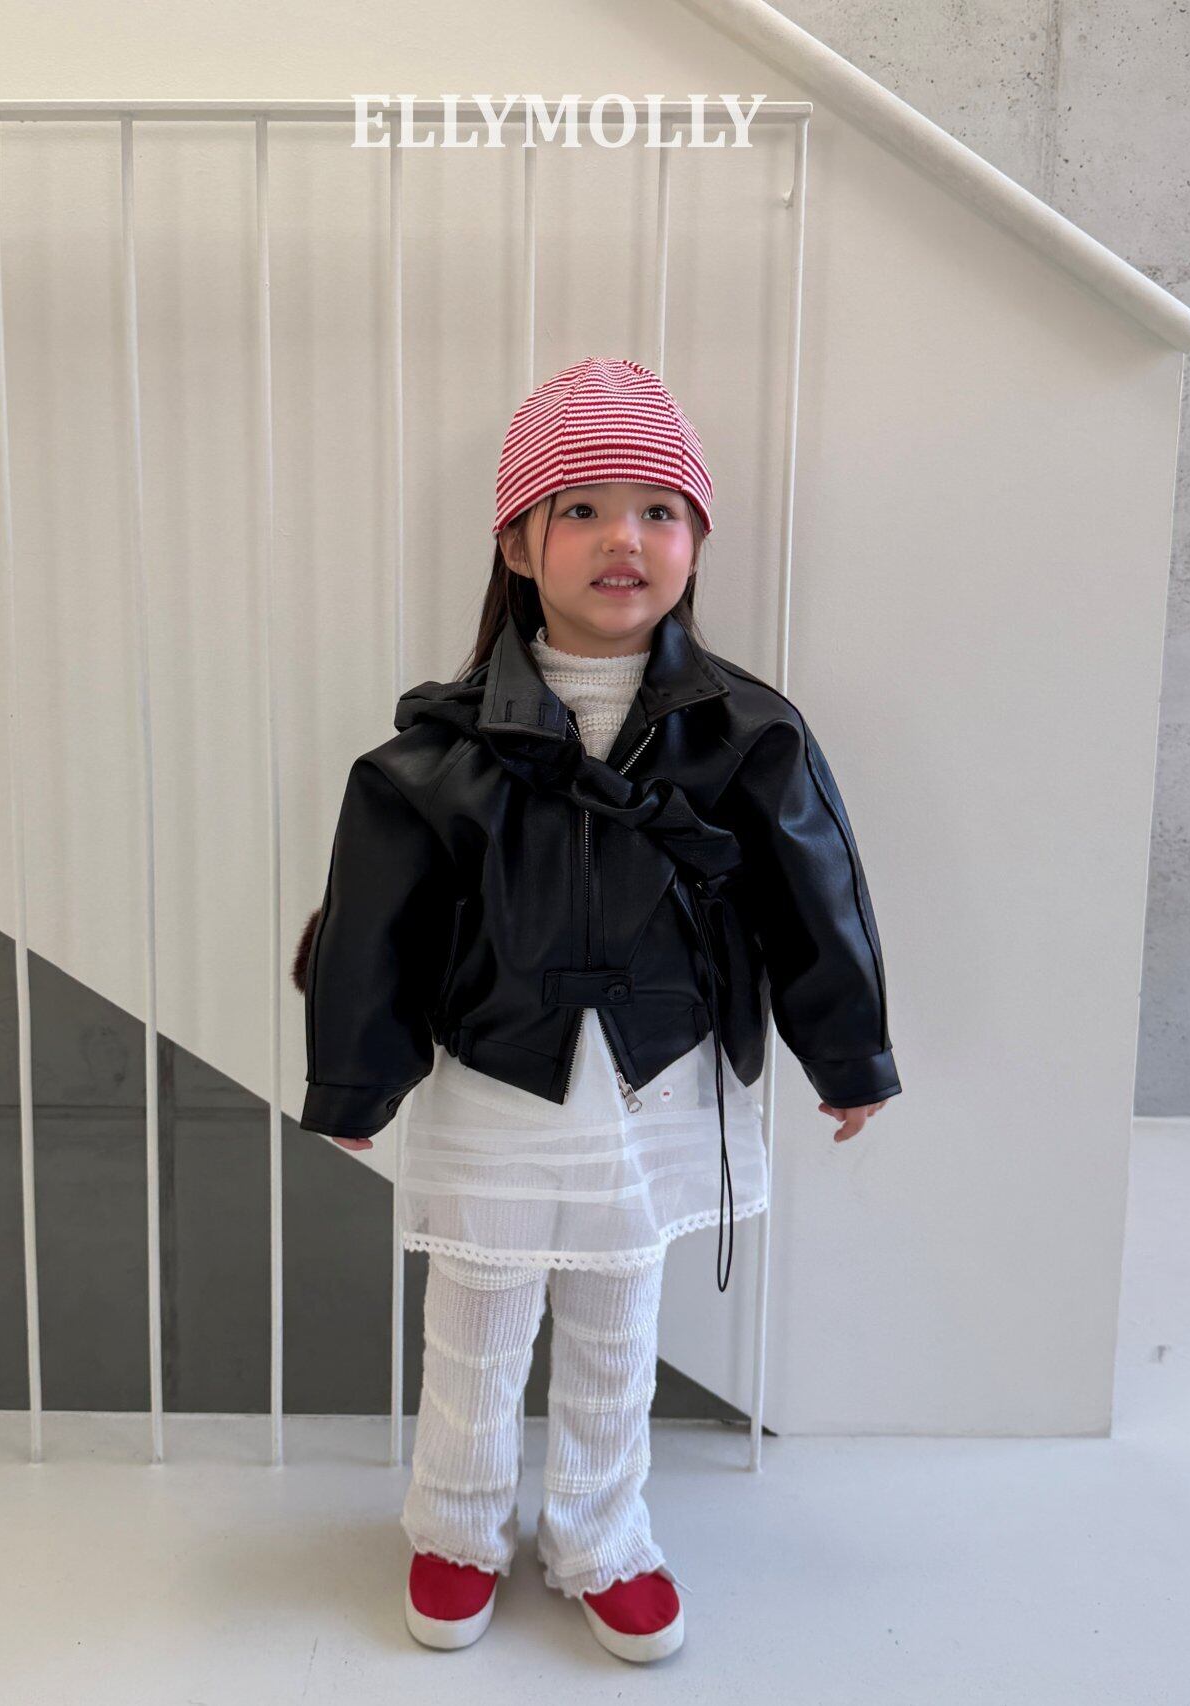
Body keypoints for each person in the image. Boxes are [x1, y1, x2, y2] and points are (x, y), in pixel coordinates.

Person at [292, 356, 902, 1661]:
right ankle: (457, 1524)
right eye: (582, 508)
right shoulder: (433, 756)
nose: (625, 537)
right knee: (477, 1310)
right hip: (495, 1075)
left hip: (656, 1074)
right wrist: (355, 1079)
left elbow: (815, 898)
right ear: (519, 544)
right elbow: (376, 926)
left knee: (619, 1316)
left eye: (657, 510)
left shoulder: (749, 735)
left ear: (695, 541)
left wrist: (847, 1054)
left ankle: (601, 1532)